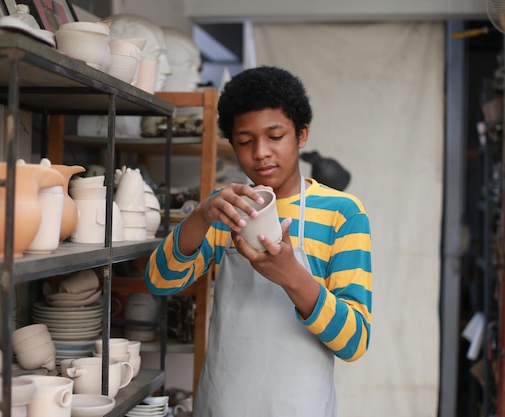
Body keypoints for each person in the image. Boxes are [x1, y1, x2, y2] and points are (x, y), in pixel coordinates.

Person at [145, 66, 372, 417]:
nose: (261, 152)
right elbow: (160, 282)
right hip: (223, 403)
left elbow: (354, 341)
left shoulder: (342, 213)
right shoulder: (229, 209)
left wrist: (291, 275)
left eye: (275, 136)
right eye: (246, 141)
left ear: (302, 135)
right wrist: (202, 214)